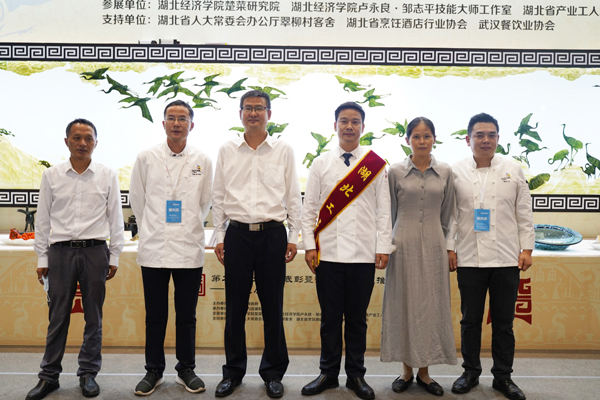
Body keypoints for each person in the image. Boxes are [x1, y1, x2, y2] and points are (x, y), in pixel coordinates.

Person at [300, 102, 394, 400]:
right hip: (327, 255)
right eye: (344, 121)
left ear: (363, 127)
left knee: (357, 320)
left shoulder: (375, 164)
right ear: (335, 126)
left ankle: (356, 375)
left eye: (355, 121)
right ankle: (328, 373)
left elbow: (384, 211)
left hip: (363, 255)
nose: (349, 126)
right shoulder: (321, 163)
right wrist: (309, 246)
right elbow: (309, 209)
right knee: (330, 319)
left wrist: (383, 246)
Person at [212, 89, 302, 398]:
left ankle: (273, 373)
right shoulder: (227, 150)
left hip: (272, 235)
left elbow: (293, 195)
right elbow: (218, 196)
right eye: (248, 108)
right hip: (237, 235)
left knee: (272, 307)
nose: (253, 113)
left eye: (259, 108)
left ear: (269, 114)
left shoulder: (283, 150)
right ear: (240, 114)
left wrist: (293, 236)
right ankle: (233, 373)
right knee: (235, 308)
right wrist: (220, 236)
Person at [28, 118, 124, 400]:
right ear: (66, 141)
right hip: (60, 253)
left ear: (96, 142)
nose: (83, 143)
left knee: (94, 317)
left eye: (88, 138)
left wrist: (115, 255)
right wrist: (42, 257)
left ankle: (88, 374)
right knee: (57, 316)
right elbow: (42, 218)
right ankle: (49, 376)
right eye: (77, 138)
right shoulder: (52, 175)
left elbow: (116, 217)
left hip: (95, 252)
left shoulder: (107, 175)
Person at [447, 113, 534, 400]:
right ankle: (470, 372)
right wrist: (450, 248)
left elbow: (524, 212)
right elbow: (451, 216)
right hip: (469, 257)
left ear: (498, 138)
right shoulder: (455, 171)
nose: (486, 140)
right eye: (479, 135)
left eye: (491, 135)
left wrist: (527, 248)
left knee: (504, 323)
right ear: (468, 139)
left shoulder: (513, 168)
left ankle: (503, 377)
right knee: (470, 320)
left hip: (506, 258)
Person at [129, 100, 212, 396]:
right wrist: (152, 228)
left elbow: (205, 202)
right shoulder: (146, 157)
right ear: (163, 123)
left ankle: (186, 369)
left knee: (186, 315)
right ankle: (153, 370)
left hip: (188, 247)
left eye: (183, 118)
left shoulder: (202, 159)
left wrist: (187, 225)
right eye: (171, 118)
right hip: (155, 247)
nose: (177, 123)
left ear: (192, 124)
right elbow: (137, 200)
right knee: (155, 315)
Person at [380, 117, 457, 397]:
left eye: (426, 136)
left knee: (430, 306)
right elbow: (388, 213)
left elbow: (449, 214)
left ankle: (425, 373)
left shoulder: (446, 171)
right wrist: (385, 245)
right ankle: (406, 371)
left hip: (435, 244)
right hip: (402, 244)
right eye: (416, 136)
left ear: (434, 138)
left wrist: (449, 247)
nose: (422, 141)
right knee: (404, 304)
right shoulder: (395, 171)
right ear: (407, 140)